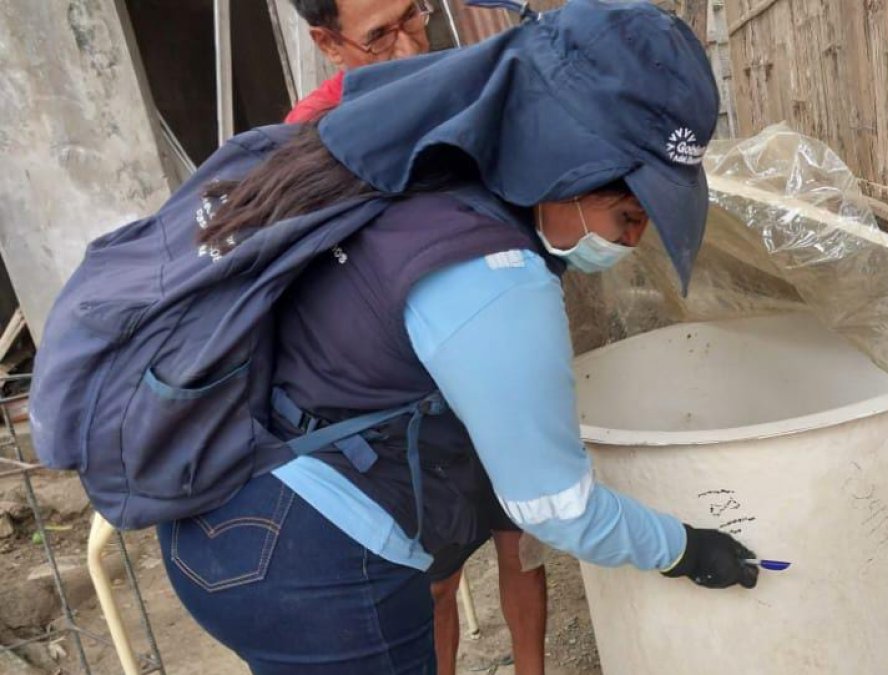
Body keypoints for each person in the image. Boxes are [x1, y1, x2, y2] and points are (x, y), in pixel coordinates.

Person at [158, 2, 758, 672]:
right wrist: (684, 546)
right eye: (628, 215)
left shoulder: (421, 165)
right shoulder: (495, 275)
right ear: (566, 161)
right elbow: (558, 508)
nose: (630, 242)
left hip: (224, 518)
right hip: (311, 560)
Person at [285, 2, 552, 673]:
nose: (409, 47)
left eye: (414, 15)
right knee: (435, 576)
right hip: (406, 394)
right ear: (328, 42)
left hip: (500, 359)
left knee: (523, 538)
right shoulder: (313, 135)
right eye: (380, 35)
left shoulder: (473, 84)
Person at [284, 0, 433, 124]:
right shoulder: (315, 128)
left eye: (410, 16)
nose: (410, 52)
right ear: (329, 45)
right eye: (379, 36)